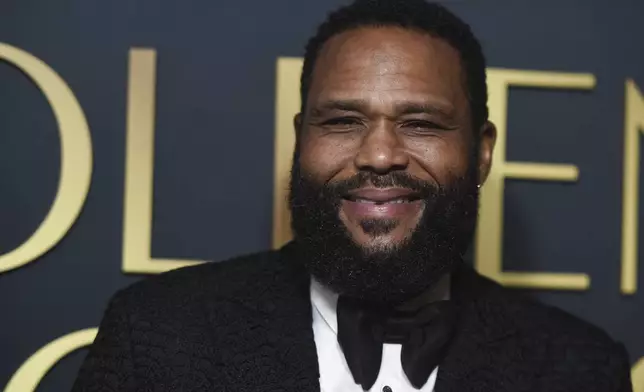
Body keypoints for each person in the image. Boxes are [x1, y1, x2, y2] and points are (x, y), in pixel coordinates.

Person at [72, 0, 633, 390]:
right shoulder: (158, 336)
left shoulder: (578, 371)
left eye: (421, 123)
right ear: (299, 142)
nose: (380, 154)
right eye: (342, 121)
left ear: (481, 152)